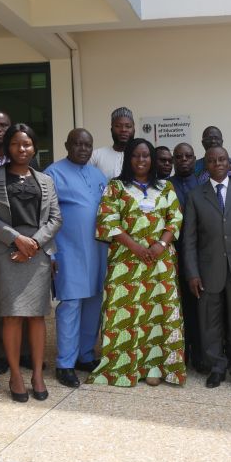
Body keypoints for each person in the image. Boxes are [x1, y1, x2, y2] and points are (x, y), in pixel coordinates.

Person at [87, 138, 186, 387]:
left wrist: (159, 245)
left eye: (145, 156)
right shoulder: (116, 187)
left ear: (152, 159)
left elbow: (175, 219)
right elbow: (108, 222)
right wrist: (137, 248)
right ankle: (127, 367)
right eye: (136, 156)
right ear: (128, 159)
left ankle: (154, 365)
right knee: (126, 315)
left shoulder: (166, 187)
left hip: (159, 264)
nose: (141, 160)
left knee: (158, 313)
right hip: (126, 262)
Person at [0, 123, 62, 402]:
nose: (21, 149)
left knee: (37, 316)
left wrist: (33, 243)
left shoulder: (45, 180)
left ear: (34, 147)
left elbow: (56, 218)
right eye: (15, 143)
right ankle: (15, 374)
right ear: (7, 146)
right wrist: (17, 240)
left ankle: (36, 374)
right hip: (5, 254)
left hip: (37, 255)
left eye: (26, 144)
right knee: (11, 316)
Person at [183, 146, 231, 391]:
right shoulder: (196, 196)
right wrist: (192, 273)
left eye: (222, 160)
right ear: (205, 165)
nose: (217, 163)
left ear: (229, 164)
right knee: (210, 322)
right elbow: (189, 239)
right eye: (212, 160)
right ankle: (216, 367)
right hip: (207, 272)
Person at [45, 129, 108, 388]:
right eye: (78, 144)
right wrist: (50, 253)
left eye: (88, 145)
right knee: (70, 305)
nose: (83, 149)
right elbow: (45, 216)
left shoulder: (98, 174)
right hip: (67, 252)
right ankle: (65, 363)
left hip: (98, 252)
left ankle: (85, 355)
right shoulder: (53, 173)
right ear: (66, 145)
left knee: (93, 303)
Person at [0, 109, 33, 375]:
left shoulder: (30, 169)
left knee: (24, 299)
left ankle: (24, 353)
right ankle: (2, 354)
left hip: (29, 248)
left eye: (3, 125)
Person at [168, 142, 207, 373]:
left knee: (198, 308)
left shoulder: (203, 185)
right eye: (179, 156)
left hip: (199, 258)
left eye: (188, 156)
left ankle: (201, 355)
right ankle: (179, 355)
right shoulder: (166, 186)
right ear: (173, 160)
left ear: (195, 159)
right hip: (172, 257)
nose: (184, 160)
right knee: (176, 308)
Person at [90, 107, 135, 180]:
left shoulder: (141, 157)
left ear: (133, 130)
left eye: (128, 126)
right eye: (118, 126)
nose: (123, 130)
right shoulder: (96, 155)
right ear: (111, 130)